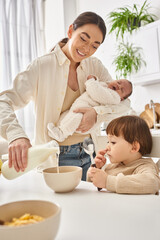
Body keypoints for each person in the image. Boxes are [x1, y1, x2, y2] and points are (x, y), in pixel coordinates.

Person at [0, 11, 131, 181]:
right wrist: (16, 135)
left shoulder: (95, 66)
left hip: (91, 153)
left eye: (94, 45)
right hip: (57, 158)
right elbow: (4, 101)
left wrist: (96, 113)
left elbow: (123, 103)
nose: (86, 49)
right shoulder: (42, 66)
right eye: (83, 38)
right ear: (70, 31)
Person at [87, 115, 160, 194]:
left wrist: (107, 181)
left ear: (134, 148)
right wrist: (96, 168)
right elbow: (92, 188)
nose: (107, 147)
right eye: (108, 142)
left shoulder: (144, 166)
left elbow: (152, 183)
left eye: (113, 142)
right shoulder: (112, 166)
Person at [48, 76, 132, 142]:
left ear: (121, 99)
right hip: (78, 108)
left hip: (84, 116)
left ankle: (62, 134)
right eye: (119, 82)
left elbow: (96, 92)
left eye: (121, 90)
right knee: (67, 117)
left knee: (75, 118)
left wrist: (91, 81)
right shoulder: (106, 85)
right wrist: (96, 79)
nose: (119, 86)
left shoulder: (114, 97)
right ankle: (58, 129)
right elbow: (99, 86)